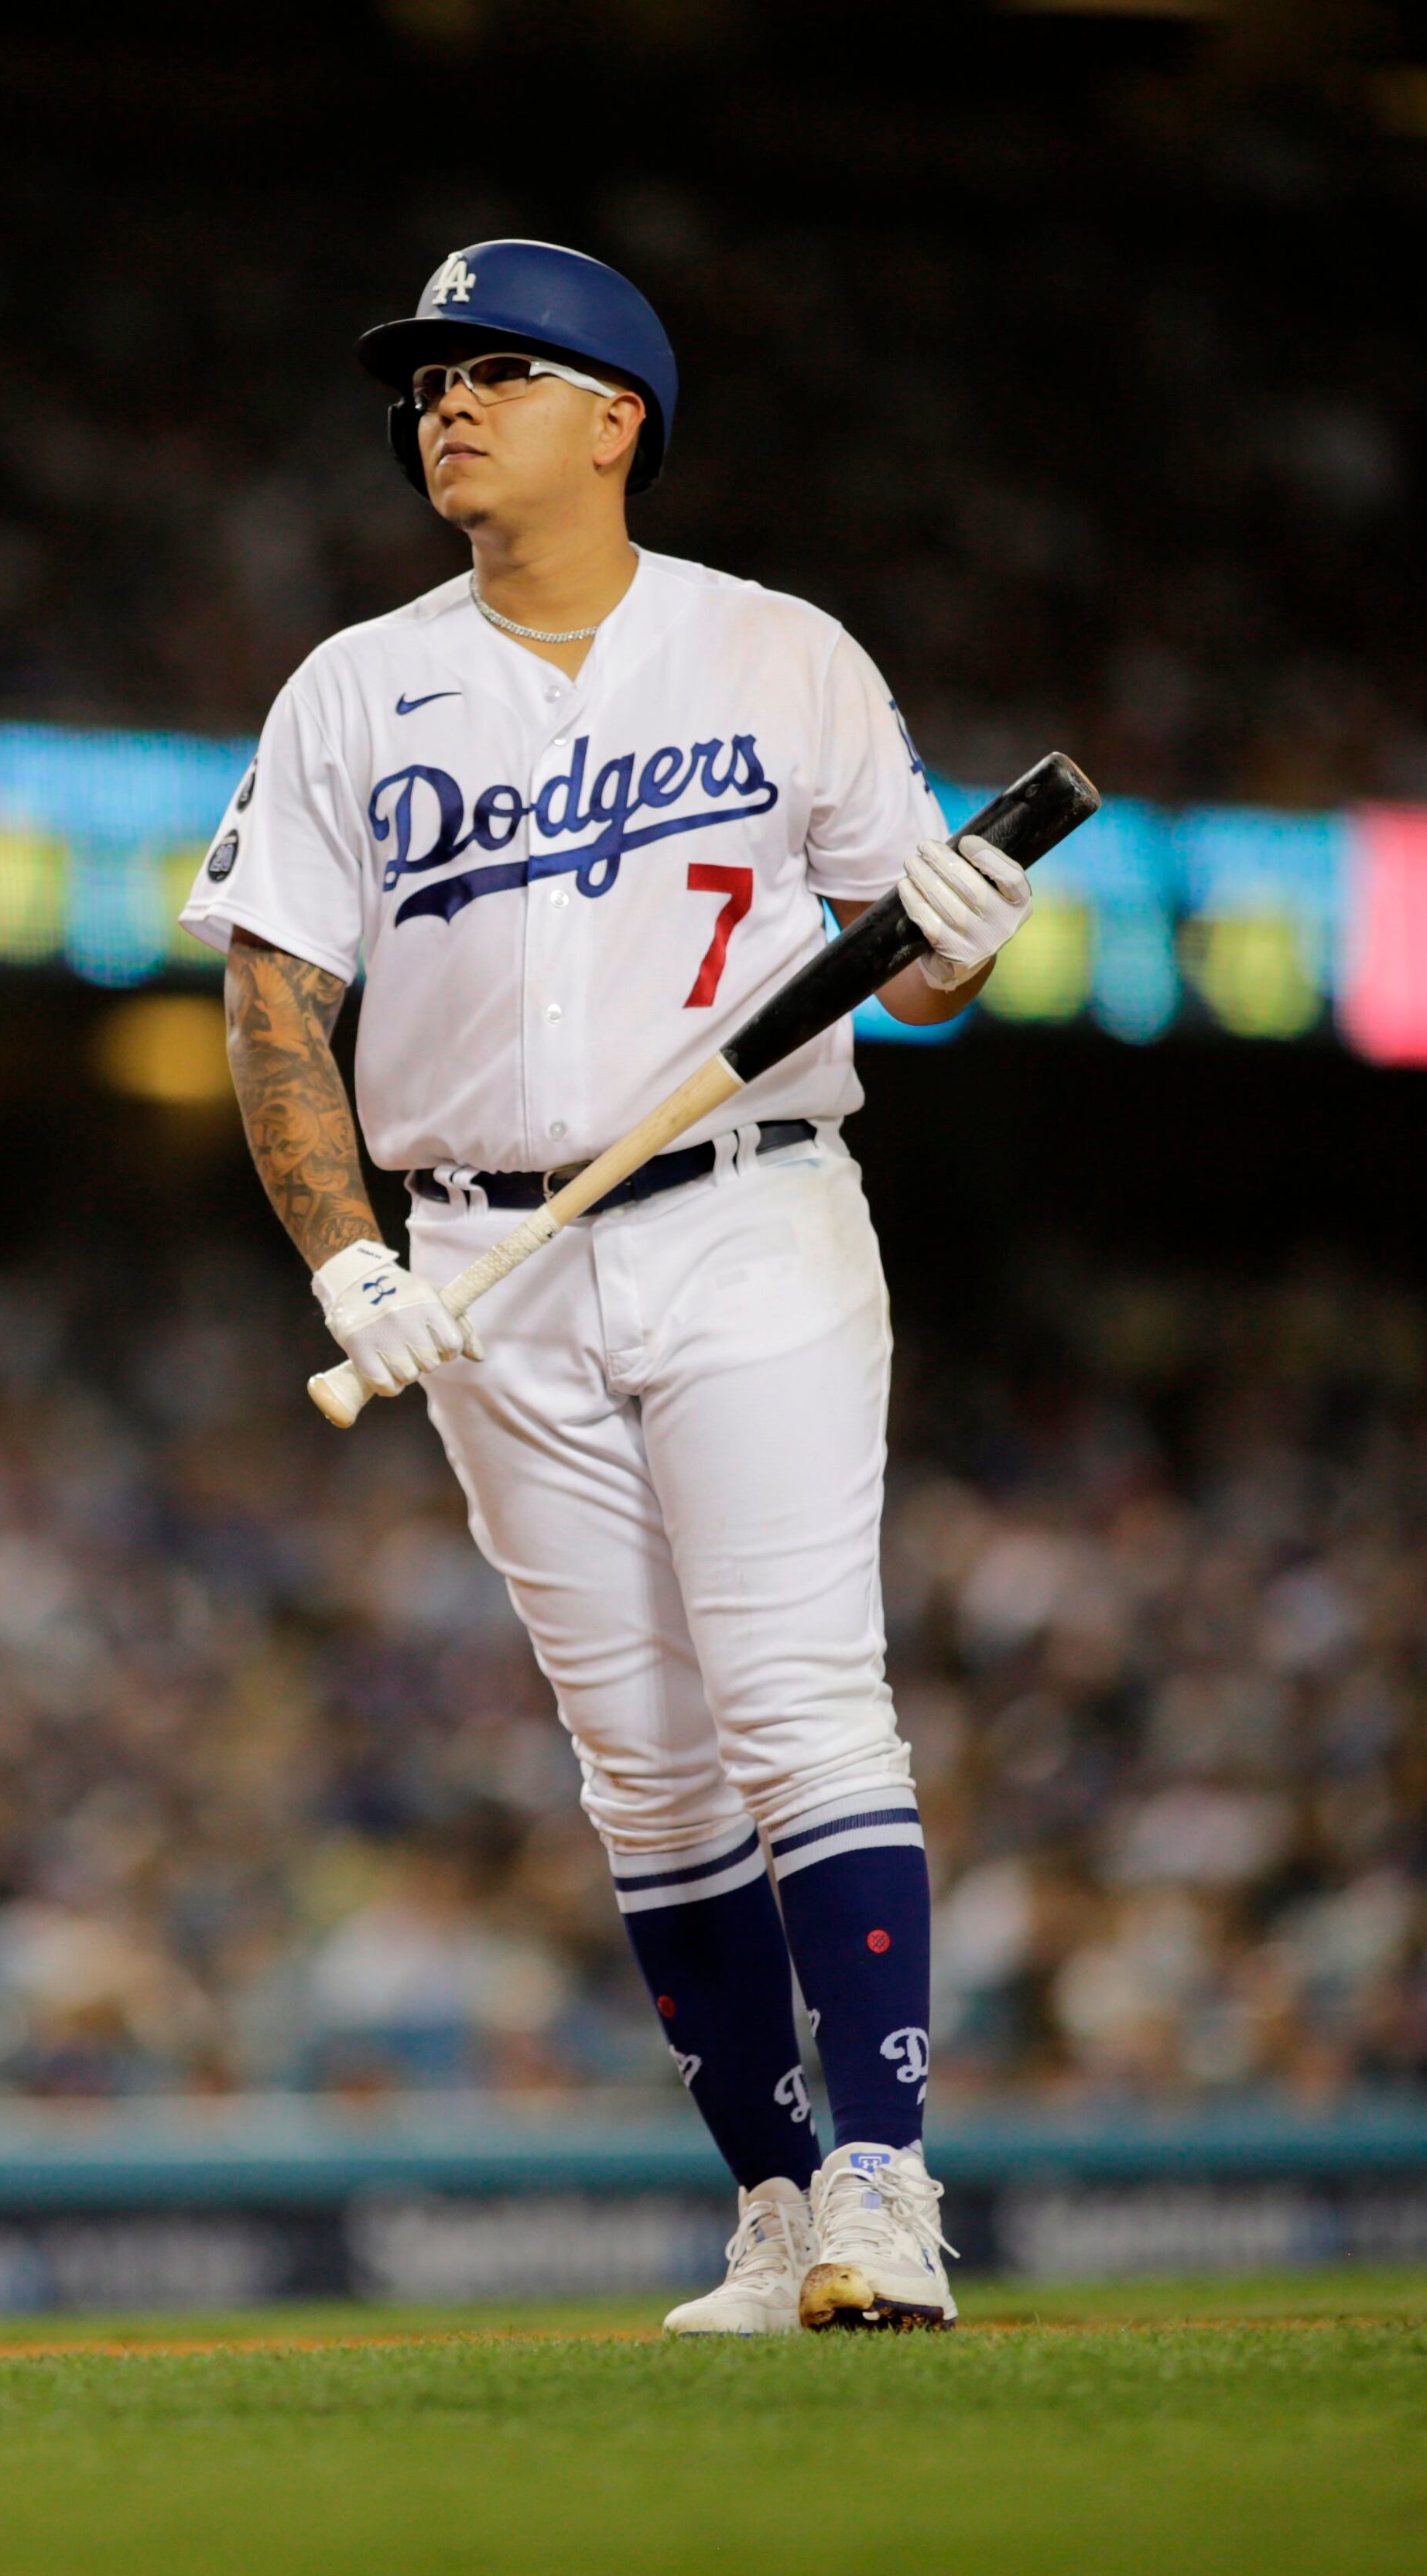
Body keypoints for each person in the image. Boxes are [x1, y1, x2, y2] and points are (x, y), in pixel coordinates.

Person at [187, 241, 1032, 2334]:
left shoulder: (780, 654)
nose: (443, 404)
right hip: (484, 1248)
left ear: (615, 416)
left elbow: (913, 973)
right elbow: (272, 989)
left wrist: (964, 923)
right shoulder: (354, 687)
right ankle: (773, 2207)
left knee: (797, 1694)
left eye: (493, 370)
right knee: (646, 1762)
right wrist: (349, 1253)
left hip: (750, 1209)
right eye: (428, 379)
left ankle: (888, 2183)